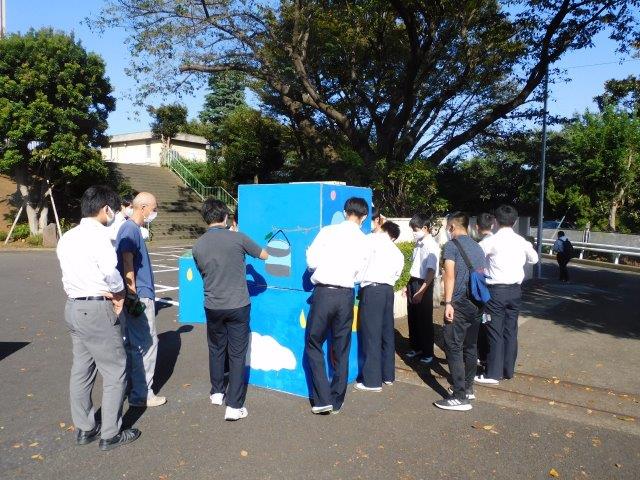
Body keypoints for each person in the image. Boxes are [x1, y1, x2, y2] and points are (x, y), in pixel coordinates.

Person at [56, 185, 141, 451]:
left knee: (82, 369)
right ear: (105, 209)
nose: (114, 214)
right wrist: (120, 294)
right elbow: (111, 274)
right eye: (113, 210)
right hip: (96, 309)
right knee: (115, 370)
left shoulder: (67, 237)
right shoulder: (99, 236)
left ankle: (85, 428)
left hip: (73, 306)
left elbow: (67, 275)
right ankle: (110, 434)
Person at [192, 199, 268, 421]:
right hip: (237, 305)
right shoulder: (238, 238)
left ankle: (217, 392)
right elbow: (264, 255)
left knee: (216, 348)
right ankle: (234, 405)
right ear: (226, 217)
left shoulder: (198, 245)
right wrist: (251, 271)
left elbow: (203, 272)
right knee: (236, 353)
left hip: (212, 305)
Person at [304, 197, 370, 414]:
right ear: (364, 217)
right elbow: (360, 275)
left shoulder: (327, 232)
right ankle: (337, 400)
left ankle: (321, 398)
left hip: (324, 293)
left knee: (314, 342)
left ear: (344, 212)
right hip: (346, 295)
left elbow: (311, 262)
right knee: (342, 348)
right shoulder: (365, 241)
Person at [476, 205, 538, 385]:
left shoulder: (491, 241)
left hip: (496, 291)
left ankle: (493, 374)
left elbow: (476, 256)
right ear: (515, 221)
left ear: (495, 221)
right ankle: (507, 370)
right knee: (510, 331)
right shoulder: (521, 241)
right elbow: (534, 259)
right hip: (515, 291)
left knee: (494, 331)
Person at [116, 192, 166, 408]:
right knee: (146, 343)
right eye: (153, 208)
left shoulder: (130, 228)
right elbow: (127, 261)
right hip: (139, 295)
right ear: (143, 207)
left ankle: (134, 389)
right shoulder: (130, 229)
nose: (154, 212)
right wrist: (132, 294)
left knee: (133, 344)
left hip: (136, 294)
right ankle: (142, 393)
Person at [434, 211, 486, 411]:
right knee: (470, 346)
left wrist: (448, 303)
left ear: (452, 226)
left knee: (453, 346)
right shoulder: (477, 246)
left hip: (459, 301)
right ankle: (468, 388)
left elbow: (449, 276)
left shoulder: (451, 246)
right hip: (477, 302)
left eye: (448, 227)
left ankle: (459, 396)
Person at [356, 221, 404, 392]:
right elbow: (397, 274)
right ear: (393, 237)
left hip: (372, 289)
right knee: (387, 333)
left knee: (371, 334)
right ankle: (388, 376)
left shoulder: (370, 240)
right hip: (388, 291)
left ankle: (372, 381)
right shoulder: (397, 252)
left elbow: (359, 265)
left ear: (382, 228)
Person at [406, 214, 438, 365]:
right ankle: (416, 347)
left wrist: (421, 291)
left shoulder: (431, 246)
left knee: (424, 319)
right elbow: (415, 266)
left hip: (423, 283)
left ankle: (427, 352)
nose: (414, 232)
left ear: (425, 228)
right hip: (413, 281)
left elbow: (431, 271)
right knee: (413, 317)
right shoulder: (418, 243)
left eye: (415, 229)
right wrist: (408, 285)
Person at [474, 212, 495, 370]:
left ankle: (483, 357)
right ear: (493, 225)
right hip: (505, 289)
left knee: (484, 322)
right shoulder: (501, 241)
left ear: (477, 227)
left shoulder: (481, 245)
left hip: (486, 289)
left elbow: (476, 269)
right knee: (495, 326)